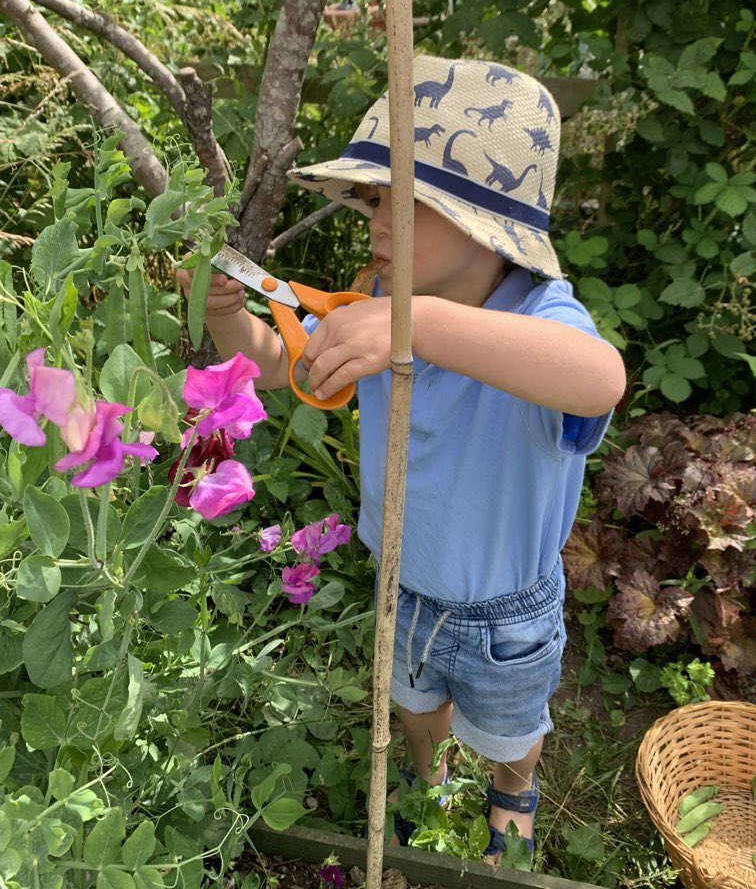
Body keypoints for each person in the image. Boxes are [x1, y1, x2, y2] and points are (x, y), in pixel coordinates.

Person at [177, 56, 625, 863]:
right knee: (416, 710)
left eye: (405, 202)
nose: (378, 224)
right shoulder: (373, 305)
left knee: (512, 731)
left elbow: (599, 380)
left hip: (508, 615)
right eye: (374, 199)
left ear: (487, 225)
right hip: (404, 584)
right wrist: (228, 321)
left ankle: (513, 795)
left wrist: (412, 328)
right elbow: (282, 363)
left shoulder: (541, 317)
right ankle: (431, 780)